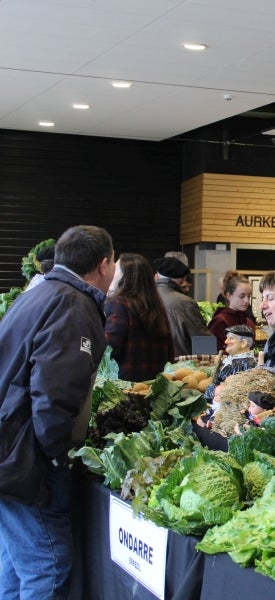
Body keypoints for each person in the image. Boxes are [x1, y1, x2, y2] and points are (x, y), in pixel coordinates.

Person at [0, 224, 115, 599]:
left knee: (17, 565)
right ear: (103, 264)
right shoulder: (73, 305)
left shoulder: (38, 294)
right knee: (46, 567)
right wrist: (55, 457)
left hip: (9, 451)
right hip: (26, 460)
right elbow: (54, 395)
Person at [104, 253, 175, 381]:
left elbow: (107, 351)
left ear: (125, 277)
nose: (110, 272)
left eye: (115, 269)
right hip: (152, 389)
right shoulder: (157, 308)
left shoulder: (119, 304)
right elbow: (169, 355)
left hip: (124, 390)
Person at [155, 256, 211, 357]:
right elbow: (202, 340)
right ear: (182, 280)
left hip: (148, 366)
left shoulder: (141, 298)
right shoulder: (185, 302)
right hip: (179, 367)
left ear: (157, 276)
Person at [208, 270, 256, 352]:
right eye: (242, 296)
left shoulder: (249, 323)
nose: (246, 300)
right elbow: (211, 353)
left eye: (248, 296)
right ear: (229, 295)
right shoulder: (220, 322)